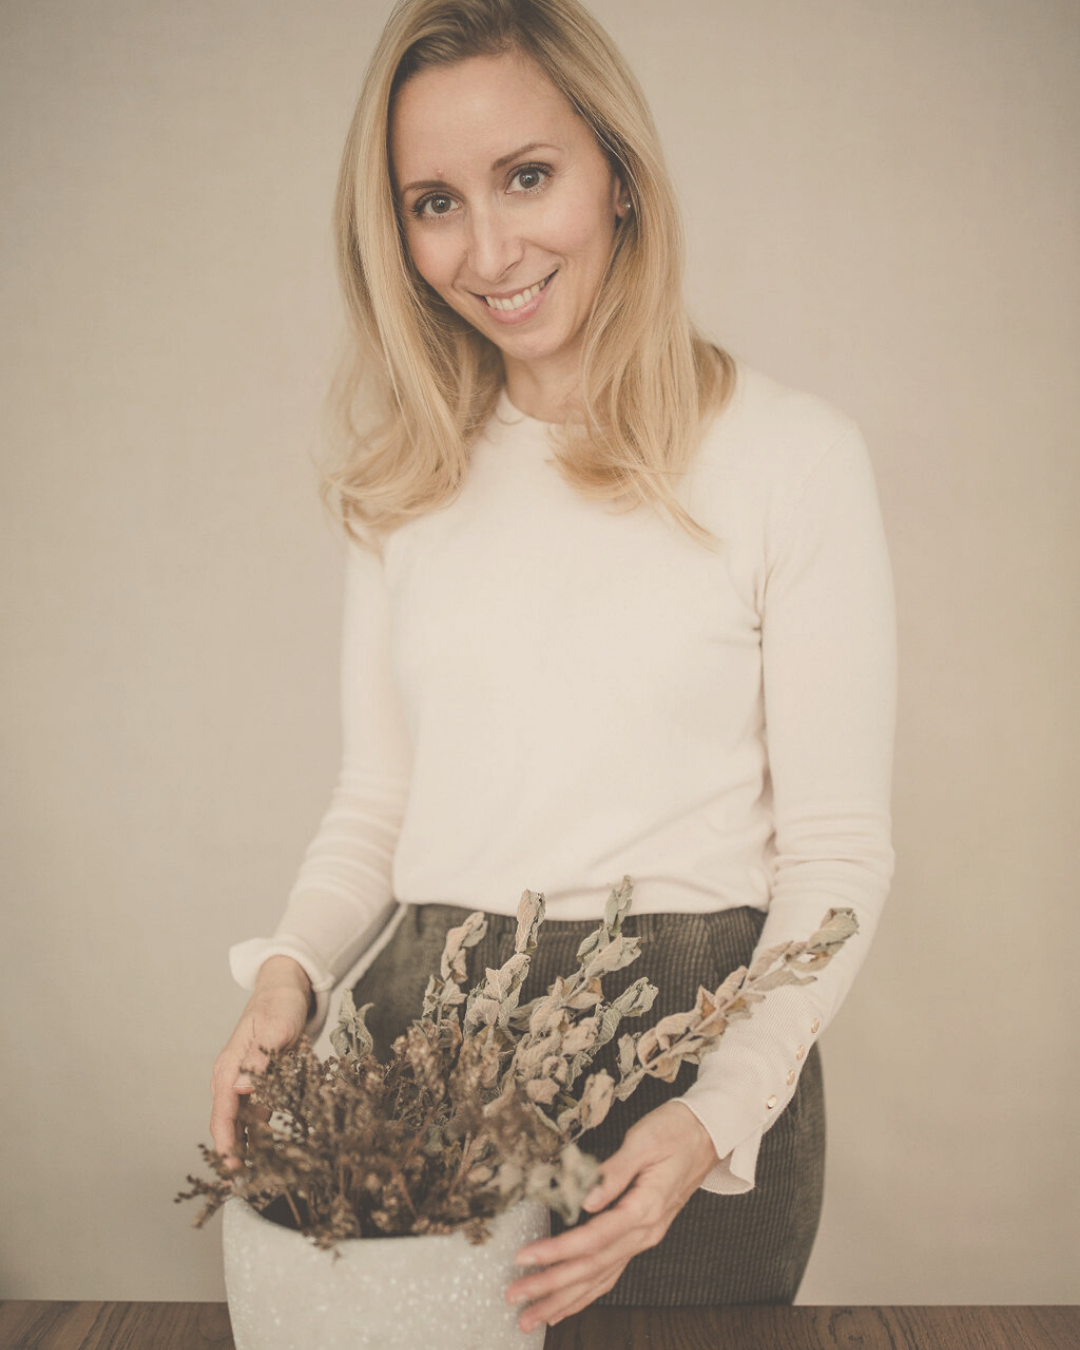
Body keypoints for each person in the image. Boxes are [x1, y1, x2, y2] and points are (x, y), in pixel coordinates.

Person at [210, 0, 897, 1332]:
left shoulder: (792, 458)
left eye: (527, 177)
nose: (489, 250)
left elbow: (837, 857)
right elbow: (378, 808)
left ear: (619, 174)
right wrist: (289, 969)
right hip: (422, 1059)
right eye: (435, 203)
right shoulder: (405, 483)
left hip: (690, 1058)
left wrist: (718, 1110)